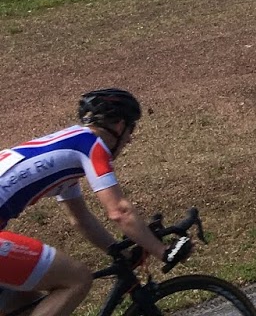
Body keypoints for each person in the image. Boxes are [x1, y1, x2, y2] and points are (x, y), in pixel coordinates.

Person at [0, 89, 171, 316]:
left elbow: (80, 219)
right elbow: (120, 212)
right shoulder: (91, 145)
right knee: (77, 279)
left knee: (26, 303)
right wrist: (163, 251)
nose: (129, 139)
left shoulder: (67, 148)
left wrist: (118, 253)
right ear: (119, 126)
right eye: (131, 129)